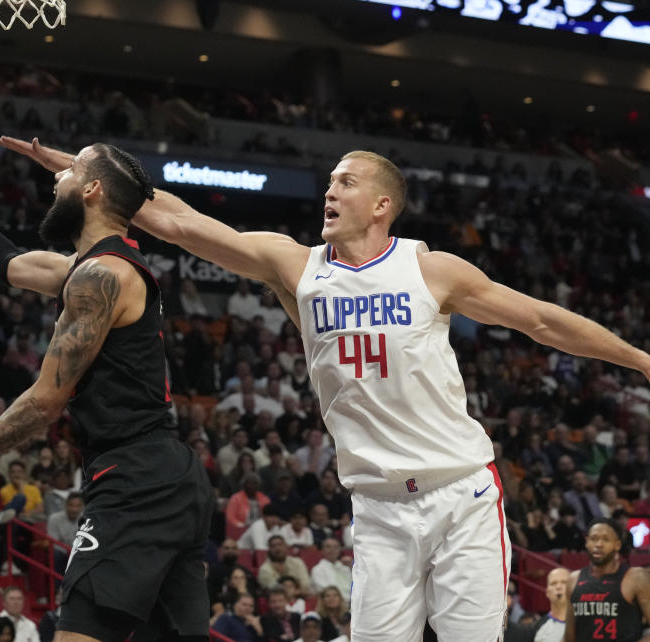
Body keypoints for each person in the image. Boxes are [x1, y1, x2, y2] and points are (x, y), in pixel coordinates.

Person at [110, 145, 650, 640]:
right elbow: (180, 223)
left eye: (345, 182)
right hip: (377, 505)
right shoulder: (297, 267)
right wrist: (92, 173)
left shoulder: (429, 269)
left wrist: (641, 361)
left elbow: (541, 321)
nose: (329, 192)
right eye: (328, 182)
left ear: (381, 204)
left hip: (460, 493)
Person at [0, 143, 215, 642]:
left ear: (92, 189)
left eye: (70, 168)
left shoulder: (102, 277)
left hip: (135, 479)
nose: (55, 178)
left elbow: (45, 400)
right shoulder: (94, 267)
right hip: (168, 477)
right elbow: (10, 262)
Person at [565, 518, 650, 642]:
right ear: (587, 542)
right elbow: (569, 637)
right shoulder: (573, 579)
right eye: (594, 539)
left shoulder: (636, 577)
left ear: (617, 545)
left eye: (606, 539)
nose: (599, 544)